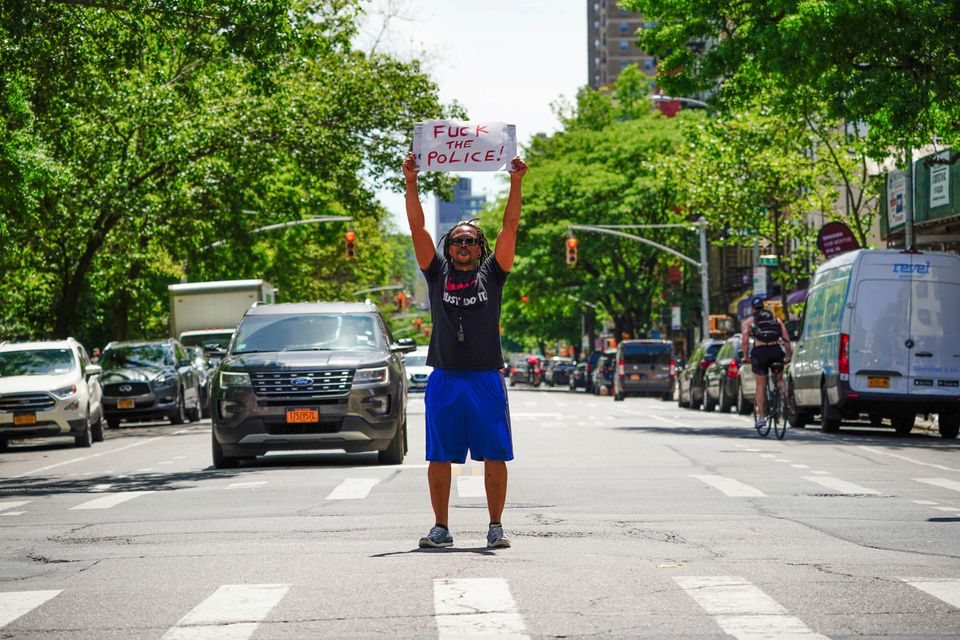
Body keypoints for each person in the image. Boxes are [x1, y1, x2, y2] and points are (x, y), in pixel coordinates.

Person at [402, 150, 527, 550]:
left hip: (485, 378)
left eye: (470, 240)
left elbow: (511, 226)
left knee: (494, 455)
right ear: (448, 245)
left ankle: (495, 526)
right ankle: (441, 527)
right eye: (456, 239)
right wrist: (411, 180)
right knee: (439, 456)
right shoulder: (436, 273)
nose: (462, 244)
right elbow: (417, 226)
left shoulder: (494, 272)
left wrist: (516, 181)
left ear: (480, 247)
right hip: (445, 378)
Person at [741, 296, 792, 429]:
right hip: (776, 350)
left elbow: (745, 339)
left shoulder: (750, 321)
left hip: (760, 353)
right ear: (764, 307)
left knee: (760, 386)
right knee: (780, 380)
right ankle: (785, 401)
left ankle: (762, 418)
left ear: (753, 308)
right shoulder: (775, 319)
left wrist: (745, 356)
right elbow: (786, 337)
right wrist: (787, 355)